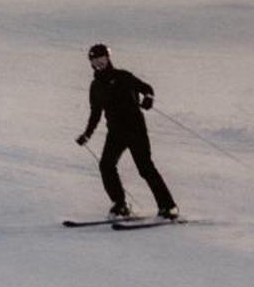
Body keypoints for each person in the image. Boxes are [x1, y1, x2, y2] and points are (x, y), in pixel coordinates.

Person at [75, 42, 178, 220]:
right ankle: (120, 205)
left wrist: (148, 98)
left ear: (108, 58)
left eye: (102, 59)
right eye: (95, 61)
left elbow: (147, 88)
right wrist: (87, 134)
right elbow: (95, 114)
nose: (99, 63)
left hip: (135, 129)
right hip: (115, 132)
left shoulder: (122, 76)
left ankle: (169, 207)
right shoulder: (96, 87)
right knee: (106, 165)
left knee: (145, 168)